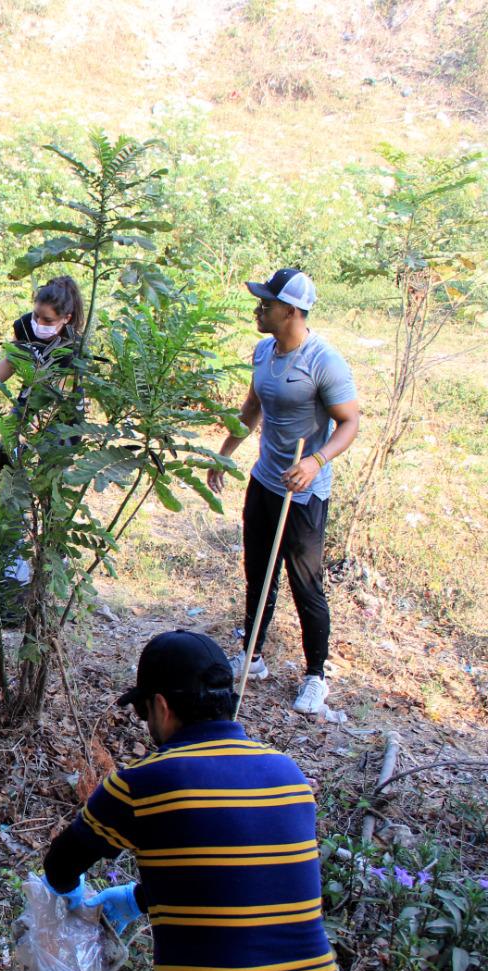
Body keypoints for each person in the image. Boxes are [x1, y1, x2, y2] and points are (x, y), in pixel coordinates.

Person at [33, 629, 336, 971]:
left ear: (161, 705)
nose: (147, 722)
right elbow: (234, 877)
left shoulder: (145, 782)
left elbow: (61, 865)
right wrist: (136, 899)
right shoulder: (288, 776)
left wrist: (75, 904)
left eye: (142, 711)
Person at [206, 268, 360, 717]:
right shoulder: (263, 351)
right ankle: (252, 657)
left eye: (267, 304)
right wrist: (225, 452)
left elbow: (349, 422)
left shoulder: (323, 361)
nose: (259, 309)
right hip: (266, 481)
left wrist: (316, 461)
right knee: (258, 571)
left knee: (305, 583)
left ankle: (316, 676)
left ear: (291, 311)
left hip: (305, 493)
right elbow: (252, 407)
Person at [0, 276, 84, 414]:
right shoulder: (25, 325)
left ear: (66, 318)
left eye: (48, 320)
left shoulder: (72, 347)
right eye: (37, 315)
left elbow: (62, 395)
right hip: (28, 398)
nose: (39, 324)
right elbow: (11, 361)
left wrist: (33, 431)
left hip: (60, 415)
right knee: (10, 433)